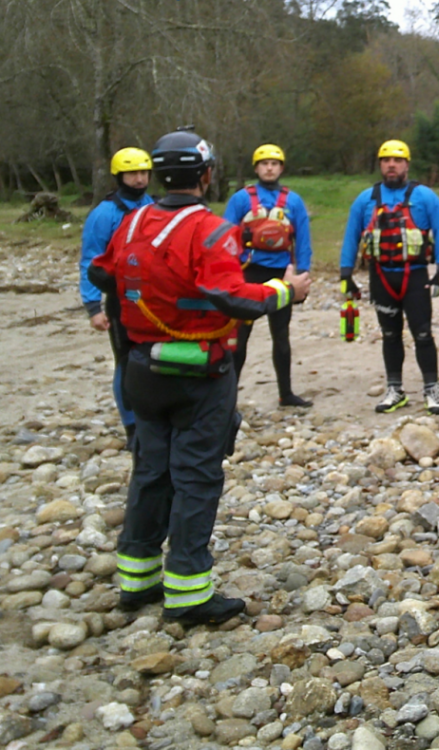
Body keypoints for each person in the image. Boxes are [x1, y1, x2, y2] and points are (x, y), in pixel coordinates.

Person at [88, 129, 311, 625]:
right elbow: (234, 297)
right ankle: (188, 591)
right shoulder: (212, 231)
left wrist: (151, 287)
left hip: (141, 370)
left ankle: (136, 579)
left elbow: (103, 274)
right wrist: (286, 290)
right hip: (199, 375)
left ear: (159, 173)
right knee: (196, 475)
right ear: (206, 175)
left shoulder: (130, 223)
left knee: (149, 468)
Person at [340, 140, 439, 415]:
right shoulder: (365, 199)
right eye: (386, 160)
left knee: (423, 334)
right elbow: (351, 237)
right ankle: (395, 389)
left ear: (407, 165)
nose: (392, 165)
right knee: (390, 335)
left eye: (397, 160)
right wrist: (346, 274)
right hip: (381, 277)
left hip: (414, 277)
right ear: (380, 165)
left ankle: (431, 390)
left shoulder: (425, 197)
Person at [223, 144, 313, 408]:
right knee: (239, 339)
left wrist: (302, 275)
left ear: (281, 168)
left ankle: (286, 394)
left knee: (281, 336)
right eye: (264, 164)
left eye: (274, 164)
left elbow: (303, 240)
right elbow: (224, 237)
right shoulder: (240, 199)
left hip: (281, 274)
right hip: (248, 272)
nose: (269, 168)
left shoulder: (293, 202)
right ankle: (227, 397)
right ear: (256, 168)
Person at [79, 147, 154, 449]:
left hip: (152, 298)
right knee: (126, 362)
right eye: (132, 173)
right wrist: (93, 306)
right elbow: (90, 261)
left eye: (143, 173)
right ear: (119, 176)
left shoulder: (155, 207)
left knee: (153, 359)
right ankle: (132, 424)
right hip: (120, 299)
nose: (139, 179)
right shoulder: (104, 214)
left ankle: (153, 417)